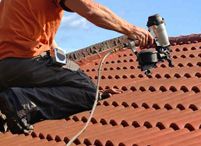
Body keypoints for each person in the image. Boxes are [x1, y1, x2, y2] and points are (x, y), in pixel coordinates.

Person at [0, 0, 154, 134]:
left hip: (4, 68)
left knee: (79, 81)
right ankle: (17, 102)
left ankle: (9, 110)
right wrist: (132, 30)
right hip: (26, 61)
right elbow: (90, 9)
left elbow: (44, 38)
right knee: (86, 92)